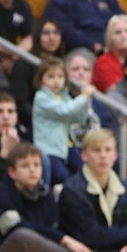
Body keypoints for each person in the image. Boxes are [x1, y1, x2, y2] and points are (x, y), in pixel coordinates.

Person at [0, 142, 98, 252]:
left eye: (36, 165)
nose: (32, 170)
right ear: (12, 172)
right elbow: (15, 229)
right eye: (25, 166)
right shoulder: (0, 193)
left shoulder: (46, 194)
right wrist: (66, 240)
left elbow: (50, 232)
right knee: (22, 234)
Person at [32, 57, 95, 185]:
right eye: (51, 77)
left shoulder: (64, 96)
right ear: (41, 80)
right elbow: (65, 111)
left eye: (60, 77)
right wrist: (84, 96)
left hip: (67, 147)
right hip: (49, 149)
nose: (56, 81)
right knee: (62, 177)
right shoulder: (41, 97)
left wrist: (85, 100)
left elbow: (79, 117)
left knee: (85, 173)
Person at [11, 19, 65, 131]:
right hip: (34, 124)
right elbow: (20, 102)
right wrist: (43, 119)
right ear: (37, 36)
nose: (52, 37)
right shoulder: (25, 63)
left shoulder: (63, 63)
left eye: (56, 33)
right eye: (46, 33)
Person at [93, 15, 127, 93]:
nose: (123, 36)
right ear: (110, 38)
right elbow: (116, 94)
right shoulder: (102, 63)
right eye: (118, 32)